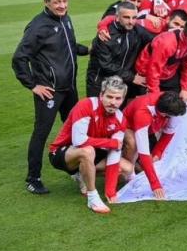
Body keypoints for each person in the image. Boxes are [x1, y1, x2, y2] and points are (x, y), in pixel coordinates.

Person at [13, 0, 90, 195]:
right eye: (57, 2)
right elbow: (19, 58)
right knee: (42, 133)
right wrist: (33, 85)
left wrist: (90, 49)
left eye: (65, 1)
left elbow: (68, 45)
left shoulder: (65, 18)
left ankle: (74, 168)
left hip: (69, 88)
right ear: (46, 2)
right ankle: (33, 178)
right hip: (50, 91)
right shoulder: (38, 27)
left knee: (76, 129)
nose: (62, 5)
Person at [46, 76, 129, 214]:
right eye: (109, 97)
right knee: (87, 151)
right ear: (101, 95)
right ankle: (92, 197)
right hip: (62, 152)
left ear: (123, 99)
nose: (113, 102)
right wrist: (110, 143)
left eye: (118, 98)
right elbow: (79, 141)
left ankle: (81, 174)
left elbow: (115, 152)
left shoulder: (120, 118)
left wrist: (110, 191)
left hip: (92, 153)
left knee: (126, 169)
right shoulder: (86, 105)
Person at [120, 91, 187, 201]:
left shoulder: (174, 105)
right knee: (134, 144)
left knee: (153, 160)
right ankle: (129, 175)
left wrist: (157, 153)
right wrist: (155, 185)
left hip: (150, 127)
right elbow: (144, 152)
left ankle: (134, 167)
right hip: (128, 125)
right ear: (163, 113)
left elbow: (168, 133)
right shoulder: (142, 113)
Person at [85, 2, 153, 100]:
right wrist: (132, 77)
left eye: (134, 18)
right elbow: (106, 65)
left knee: (118, 112)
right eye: (127, 17)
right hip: (100, 83)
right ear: (117, 17)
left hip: (122, 81)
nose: (131, 22)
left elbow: (156, 41)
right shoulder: (105, 35)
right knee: (97, 112)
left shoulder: (136, 30)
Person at [134, 18, 187, 100]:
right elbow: (153, 69)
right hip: (146, 72)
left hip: (168, 73)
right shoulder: (167, 43)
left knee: (178, 99)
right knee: (151, 102)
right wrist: (155, 94)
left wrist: (184, 89)